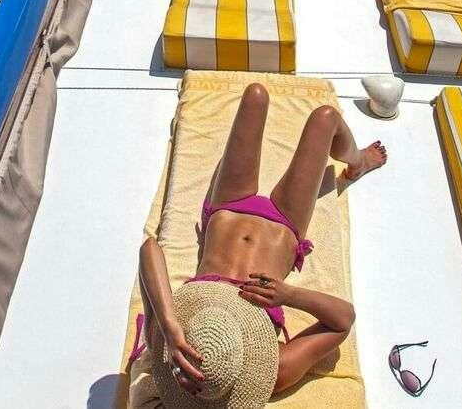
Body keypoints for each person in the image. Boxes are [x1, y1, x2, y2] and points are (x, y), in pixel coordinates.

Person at [134, 83, 388, 407]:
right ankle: (358, 161)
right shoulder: (274, 373)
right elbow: (343, 319)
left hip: (227, 208)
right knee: (326, 118)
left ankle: (354, 158)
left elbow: (150, 249)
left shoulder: (171, 351)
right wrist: (289, 295)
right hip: (284, 225)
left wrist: (168, 325)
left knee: (255, 95)